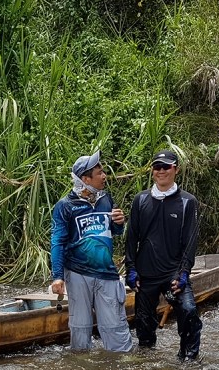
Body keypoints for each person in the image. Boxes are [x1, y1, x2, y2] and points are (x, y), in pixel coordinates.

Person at [124, 145, 203, 359]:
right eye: (157, 167)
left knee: (188, 311)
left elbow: (190, 241)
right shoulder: (140, 200)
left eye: (166, 167)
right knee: (143, 324)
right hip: (146, 275)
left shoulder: (188, 202)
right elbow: (131, 237)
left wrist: (185, 273)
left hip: (173, 275)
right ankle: (148, 363)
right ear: (152, 170)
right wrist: (130, 269)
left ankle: (188, 358)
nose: (161, 171)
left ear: (175, 169)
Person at [50, 150, 132, 351]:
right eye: (99, 172)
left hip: (107, 272)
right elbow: (57, 242)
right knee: (80, 327)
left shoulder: (106, 199)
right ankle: (80, 369)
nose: (104, 176)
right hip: (77, 273)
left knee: (116, 326)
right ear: (85, 179)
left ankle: (123, 367)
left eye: (103, 171)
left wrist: (119, 223)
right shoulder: (65, 206)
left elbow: (114, 231)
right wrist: (57, 276)